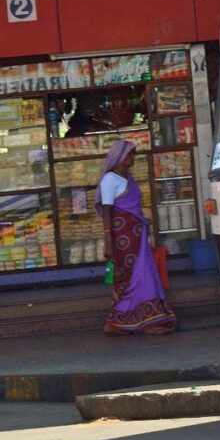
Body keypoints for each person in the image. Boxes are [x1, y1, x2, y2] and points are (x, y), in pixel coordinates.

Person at [96, 140, 177, 335]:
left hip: (137, 234)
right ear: (118, 157)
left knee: (145, 273)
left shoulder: (128, 178)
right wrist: (108, 241)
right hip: (123, 236)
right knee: (131, 276)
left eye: (133, 154)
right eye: (128, 154)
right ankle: (121, 321)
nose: (132, 158)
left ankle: (143, 319)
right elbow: (107, 211)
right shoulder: (110, 179)